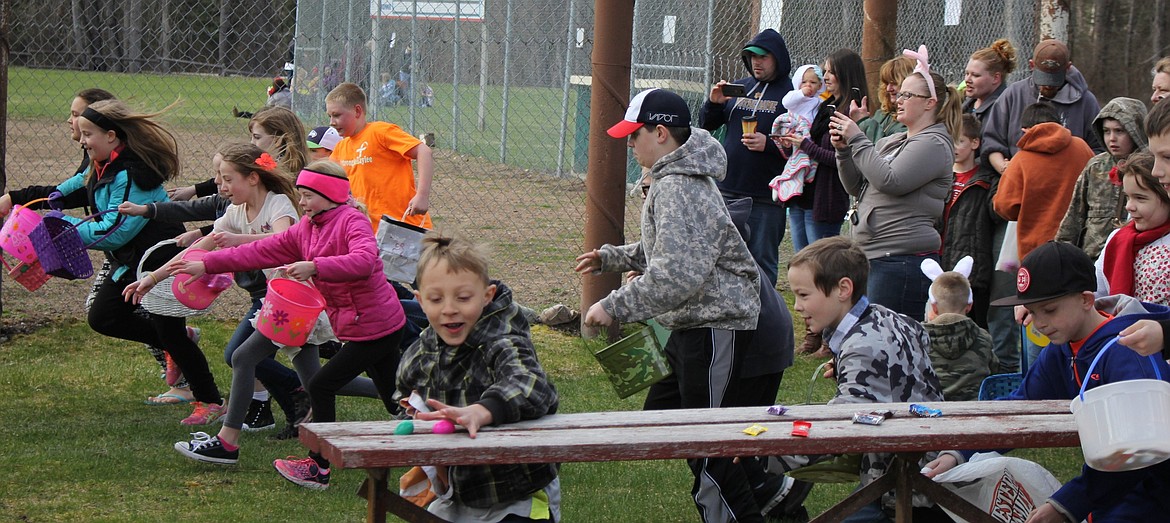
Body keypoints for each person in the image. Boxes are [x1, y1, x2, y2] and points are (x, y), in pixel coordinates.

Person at [577, 88, 764, 523]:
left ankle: (739, 510)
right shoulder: (671, 178)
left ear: (660, 133)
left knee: (708, 443)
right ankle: (775, 492)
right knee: (664, 417)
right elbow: (669, 247)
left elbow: (678, 274)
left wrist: (615, 305)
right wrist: (616, 257)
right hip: (691, 325)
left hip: (716, 325)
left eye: (633, 134)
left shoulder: (679, 185)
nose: (629, 143)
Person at [168, 160, 407, 488]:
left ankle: (319, 466)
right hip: (364, 325)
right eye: (301, 195)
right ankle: (440, 435)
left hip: (376, 325)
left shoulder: (352, 220)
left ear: (330, 194)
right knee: (397, 397)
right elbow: (261, 251)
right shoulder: (310, 226)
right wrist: (207, 263)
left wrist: (315, 267)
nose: (303, 203)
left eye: (308, 196)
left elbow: (365, 261)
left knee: (321, 385)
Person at [0, 99, 226, 424]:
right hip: (130, 260)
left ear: (111, 135)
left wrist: (60, 236)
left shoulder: (135, 175)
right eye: (81, 135)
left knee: (169, 332)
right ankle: (177, 343)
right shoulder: (100, 166)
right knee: (104, 317)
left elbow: (116, 230)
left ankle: (210, 401)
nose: (81, 141)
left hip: (157, 257)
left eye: (87, 134)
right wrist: (17, 199)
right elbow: (63, 193)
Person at [923, 241, 1170, 522]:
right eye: (1032, 310)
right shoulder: (1063, 347)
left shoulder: (1127, 351)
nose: (1039, 323)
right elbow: (1022, 405)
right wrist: (960, 451)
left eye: (1049, 310)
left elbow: (1136, 453)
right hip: (1112, 495)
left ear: (1086, 299)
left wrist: (1067, 505)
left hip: (1153, 495)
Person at [397, 231, 560, 521]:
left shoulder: (503, 341)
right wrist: (413, 409)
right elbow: (405, 385)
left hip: (516, 491)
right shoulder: (424, 350)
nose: (449, 309)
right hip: (458, 491)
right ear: (420, 301)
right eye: (436, 299)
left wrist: (482, 410)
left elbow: (531, 384)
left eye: (463, 297)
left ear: (487, 296)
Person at [777, 236, 944, 521]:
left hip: (912, 493)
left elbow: (840, 429)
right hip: (928, 468)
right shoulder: (891, 318)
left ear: (843, 288)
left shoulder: (863, 346)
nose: (797, 306)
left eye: (804, 295)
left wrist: (767, 454)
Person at [831, 45, 960, 321]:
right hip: (876, 258)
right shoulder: (894, 140)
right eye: (900, 93)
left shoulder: (934, 143)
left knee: (889, 346)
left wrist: (857, 137)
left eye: (908, 94)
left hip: (901, 261)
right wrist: (843, 150)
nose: (898, 99)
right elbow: (858, 187)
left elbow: (890, 181)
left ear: (930, 102)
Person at [699, 28, 793, 287]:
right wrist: (715, 103)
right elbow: (706, 124)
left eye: (763, 57)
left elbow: (801, 143)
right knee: (722, 258)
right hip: (727, 189)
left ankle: (763, 321)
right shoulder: (742, 87)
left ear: (777, 58)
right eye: (751, 57)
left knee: (761, 263)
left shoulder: (791, 94)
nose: (756, 62)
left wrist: (770, 144)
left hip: (764, 196)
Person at [981, 39, 1103, 179]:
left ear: (1068, 68)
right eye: (1043, 78)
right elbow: (991, 141)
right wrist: (1004, 168)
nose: (1048, 86)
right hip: (1017, 178)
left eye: (1054, 79)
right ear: (1032, 65)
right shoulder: (1014, 94)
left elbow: (1097, 151)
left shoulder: (1086, 102)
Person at [779, 48, 860, 255]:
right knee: (801, 260)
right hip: (802, 194)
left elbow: (841, 159)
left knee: (820, 264)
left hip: (825, 201)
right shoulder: (824, 105)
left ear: (846, 73)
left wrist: (805, 145)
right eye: (825, 71)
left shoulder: (853, 111)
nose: (825, 77)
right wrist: (790, 143)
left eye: (831, 72)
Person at [993, 102, 1096, 260]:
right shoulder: (1082, 147)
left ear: (1025, 131)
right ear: (1059, 124)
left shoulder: (1020, 161)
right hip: (1079, 246)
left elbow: (1004, 207)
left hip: (1036, 251)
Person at [326, 82, 435, 231]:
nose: (332, 122)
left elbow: (424, 152)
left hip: (405, 227)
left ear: (357, 111)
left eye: (336, 115)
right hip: (367, 232)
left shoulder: (379, 132)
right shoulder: (340, 148)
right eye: (329, 116)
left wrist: (422, 196)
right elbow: (328, 183)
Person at [1056, 97, 1149, 258]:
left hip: (1136, 257)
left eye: (1119, 131)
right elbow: (1074, 217)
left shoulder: (1150, 168)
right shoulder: (1095, 167)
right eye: (1106, 131)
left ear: (1136, 130)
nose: (1112, 138)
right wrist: (1061, 256)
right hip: (1093, 259)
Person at [939, 114, 999, 329]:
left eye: (960, 140)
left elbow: (997, 213)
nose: (954, 146)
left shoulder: (988, 180)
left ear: (975, 143)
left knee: (974, 328)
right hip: (939, 265)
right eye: (951, 140)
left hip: (973, 270)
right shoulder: (941, 176)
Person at [1094, 152, 1170, 305]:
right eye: (1128, 197)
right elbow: (1096, 291)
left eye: (1140, 198)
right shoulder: (1117, 239)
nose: (1129, 207)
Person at [920, 257, 996, 401]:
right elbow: (994, 371)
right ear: (969, 306)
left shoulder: (917, 339)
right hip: (975, 412)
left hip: (932, 412)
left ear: (934, 307)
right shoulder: (983, 338)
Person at [855, 56, 914, 142]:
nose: (889, 89)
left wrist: (864, 121)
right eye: (886, 83)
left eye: (894, 83)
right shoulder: (881, 113)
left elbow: (885, 150)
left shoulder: (909, 120)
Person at [961, 39, 1017, 120]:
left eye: (975, 75)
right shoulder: (966, 104)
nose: (967, 79)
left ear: (996, 78)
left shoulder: (1003, 111)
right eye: (967, 73)